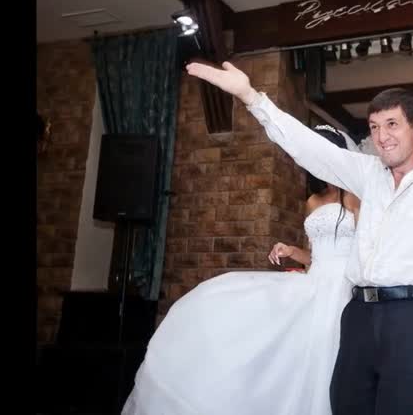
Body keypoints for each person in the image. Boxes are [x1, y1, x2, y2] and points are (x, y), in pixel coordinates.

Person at [186, 4, 413, 414]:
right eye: (374, 127)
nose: (382, 137)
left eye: (392, 124)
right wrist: (252, 97)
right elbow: (308, 148)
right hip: (358, 315)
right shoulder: (368, 173)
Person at [122, 125, 361, 415]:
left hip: (341, 287)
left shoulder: (353, 197)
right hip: (315, 280)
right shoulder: (312, 202)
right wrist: (290, 251)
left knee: (326, 356)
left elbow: (365, 247)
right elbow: (314, 258)